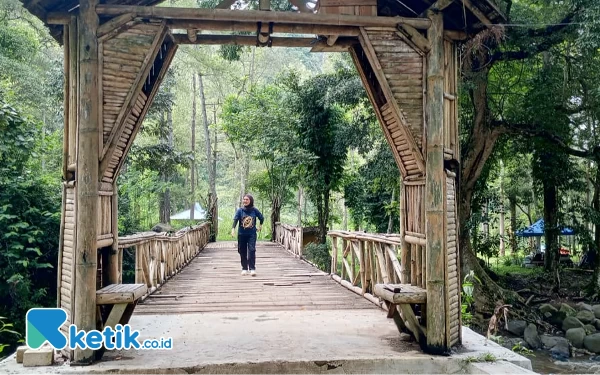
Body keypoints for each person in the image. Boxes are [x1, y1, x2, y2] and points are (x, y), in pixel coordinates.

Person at [231, 194, 264, 276]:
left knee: (252, 250)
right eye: (244, 199)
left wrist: (260, 226)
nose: (245, 201)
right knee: (242, 251)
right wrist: (233, 229)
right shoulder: (240, 210)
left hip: (251, 234)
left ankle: (252, 268)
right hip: (242, 234)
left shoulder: (254, 210)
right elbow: (235, 220)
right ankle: (244, 268)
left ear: (251, 201)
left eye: (247, 199)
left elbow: (261, 218)